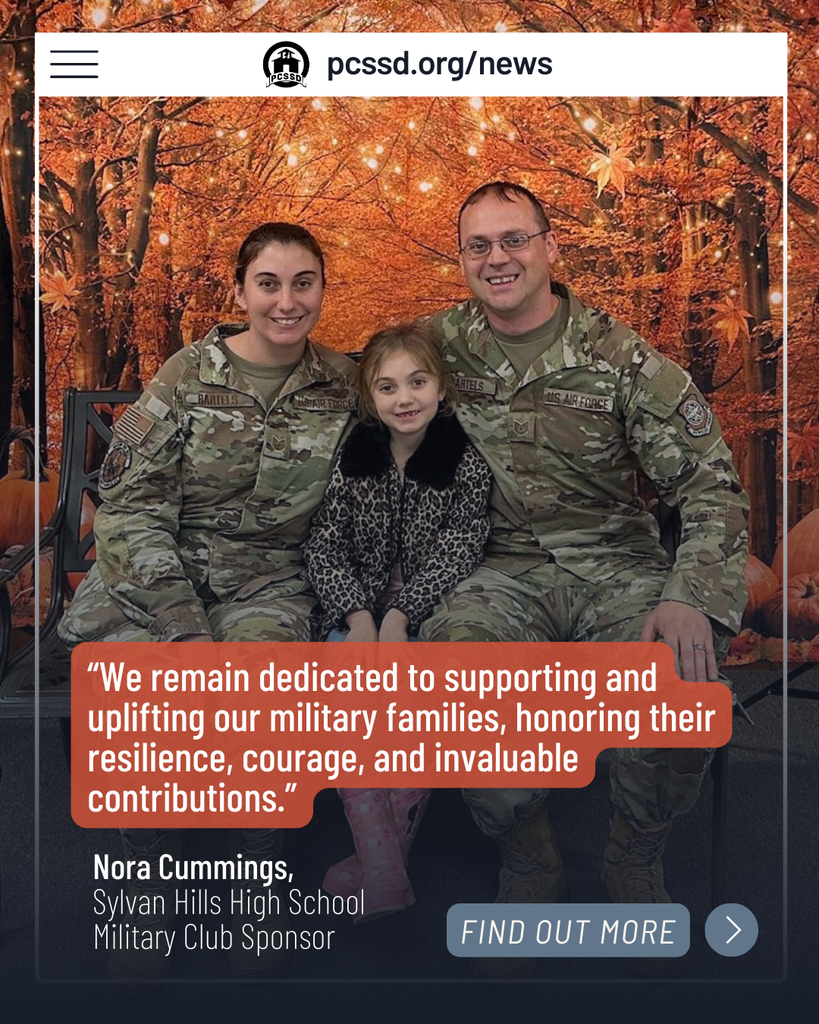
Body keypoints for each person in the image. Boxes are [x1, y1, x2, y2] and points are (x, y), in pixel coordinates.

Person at [422, 182, 749, 978]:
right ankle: (528, 858)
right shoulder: (431, 349)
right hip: (494, 571)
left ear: (549, 247)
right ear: (461, 259)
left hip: (615, 566)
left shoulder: (621, 357)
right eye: (478, 246)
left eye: (513, 239)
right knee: (456, 676)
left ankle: (633, 856)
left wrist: (687, 595)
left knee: (680, 684)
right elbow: (318, 392)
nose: (497, 258)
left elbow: (709, 484)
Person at [58, 222, 357, 981]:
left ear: (323, 288)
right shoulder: (186, 377)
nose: (285, 302)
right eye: (268, 284)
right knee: (142, 687)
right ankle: (148, 878)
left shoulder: (344, 386)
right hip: (157, 578)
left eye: (302, 283)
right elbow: (127, 511)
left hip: (269, 582)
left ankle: (256, 879)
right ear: (239, 290)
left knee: (265, 681)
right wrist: (186, 632)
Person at [304, 322, 492, 923]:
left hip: (431, 609)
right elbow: (323, 545)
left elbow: (463, 545)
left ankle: (380, 868)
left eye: (417, 381)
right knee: (347, 699)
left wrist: (403, 615)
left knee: (419, 703)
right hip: (353, 610)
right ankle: (385, 866)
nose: (403, 398)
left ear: (441, 388)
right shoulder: (355, 455)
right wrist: (360, 616)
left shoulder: (462, 457)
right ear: (370, 397)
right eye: (387, 387)